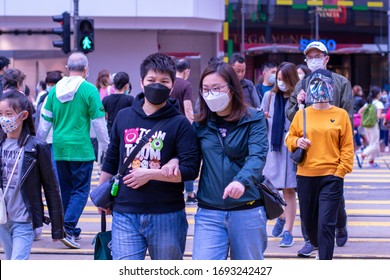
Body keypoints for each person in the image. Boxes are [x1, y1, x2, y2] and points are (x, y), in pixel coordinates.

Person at [98, 52, 200, 260]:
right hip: (125, 212)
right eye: (151, 80)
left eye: (164, 81)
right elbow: (111, 159)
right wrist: (102, 195)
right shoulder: (124, 116)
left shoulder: (179, 123)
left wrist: (151, 174)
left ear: (172, 86)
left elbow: (190, 169)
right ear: (141, 83)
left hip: (167, 215)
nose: (157, 86)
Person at [192, 61, 269, 260]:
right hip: (209, 211)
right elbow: (189, 158)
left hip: (247, 209)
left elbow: (257, 156)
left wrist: (240, 181)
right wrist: (174, 161)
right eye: (206, 89)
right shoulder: (200, 123)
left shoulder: (254, 118)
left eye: (216, 88)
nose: (210, 94)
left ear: (232, 88)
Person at [286, 41, 353, 257]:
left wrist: (340, 170)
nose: (313, 59)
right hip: (307, 169)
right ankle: (312, 239)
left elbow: (347, 119)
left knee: (330, 213)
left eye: (317, 55)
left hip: (332, 164)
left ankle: (336, 230)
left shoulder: (341, 82)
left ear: (326, 58)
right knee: (311, 215)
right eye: (309, 56)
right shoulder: (302, 84)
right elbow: (292, 118)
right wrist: (301, 105)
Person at [37, 52, 109, 249]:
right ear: (86, 69)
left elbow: (44, 124)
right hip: (81, 149)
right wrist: (107, 148)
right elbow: (99, 124)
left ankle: (71, 230)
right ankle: (67, 227)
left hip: (59, 148)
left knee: (66, 190)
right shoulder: (89, 90)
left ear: (68, 69)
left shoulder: (54, 91)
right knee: (80, 190)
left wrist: (37, 147)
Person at [0, 89, 64, 260]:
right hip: (2, 219)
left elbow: (51, 188)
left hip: (24, 220)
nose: (3, 118)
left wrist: (57, 228)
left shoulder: (36, 147)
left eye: (8, 113)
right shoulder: (0, 144)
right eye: (0, 113)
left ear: (23, 115)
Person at [260, 62, 299, 247]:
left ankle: (288, 232)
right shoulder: (269, 96)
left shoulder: (298, 98)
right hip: (273, 149)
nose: (280, 82)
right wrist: (263, 117)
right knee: (269, 189)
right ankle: (281, 216)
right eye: (278, 79)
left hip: (291, 149)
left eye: (284, 79)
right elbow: (260, 123)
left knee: (289, 191)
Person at [170, 58, 197, 204]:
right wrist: (191, 128)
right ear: (187, 71)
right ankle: (190, 193)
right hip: (182, 128)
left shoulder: (170, 82)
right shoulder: (186, 85)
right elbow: (187, 108)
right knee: (187, 160)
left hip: (168, 126)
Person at [356, 86, 384, 168]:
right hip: (374, 125)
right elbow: (378, 116)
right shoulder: (379, 104)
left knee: (373, 143)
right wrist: (384, 115)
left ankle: (371, 162)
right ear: (378, 94)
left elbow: (359, 112)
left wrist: (366, 119)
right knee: (374, 144)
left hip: (367, 125)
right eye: (381, 92)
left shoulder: (368, 103)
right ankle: (362, 156)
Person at [102, 71, 134, 136]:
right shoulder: (130, 99)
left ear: (114, 85)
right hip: (126, 133)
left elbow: (102, 115)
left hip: (110, 132)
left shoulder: (106, 100)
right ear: (127, 86)